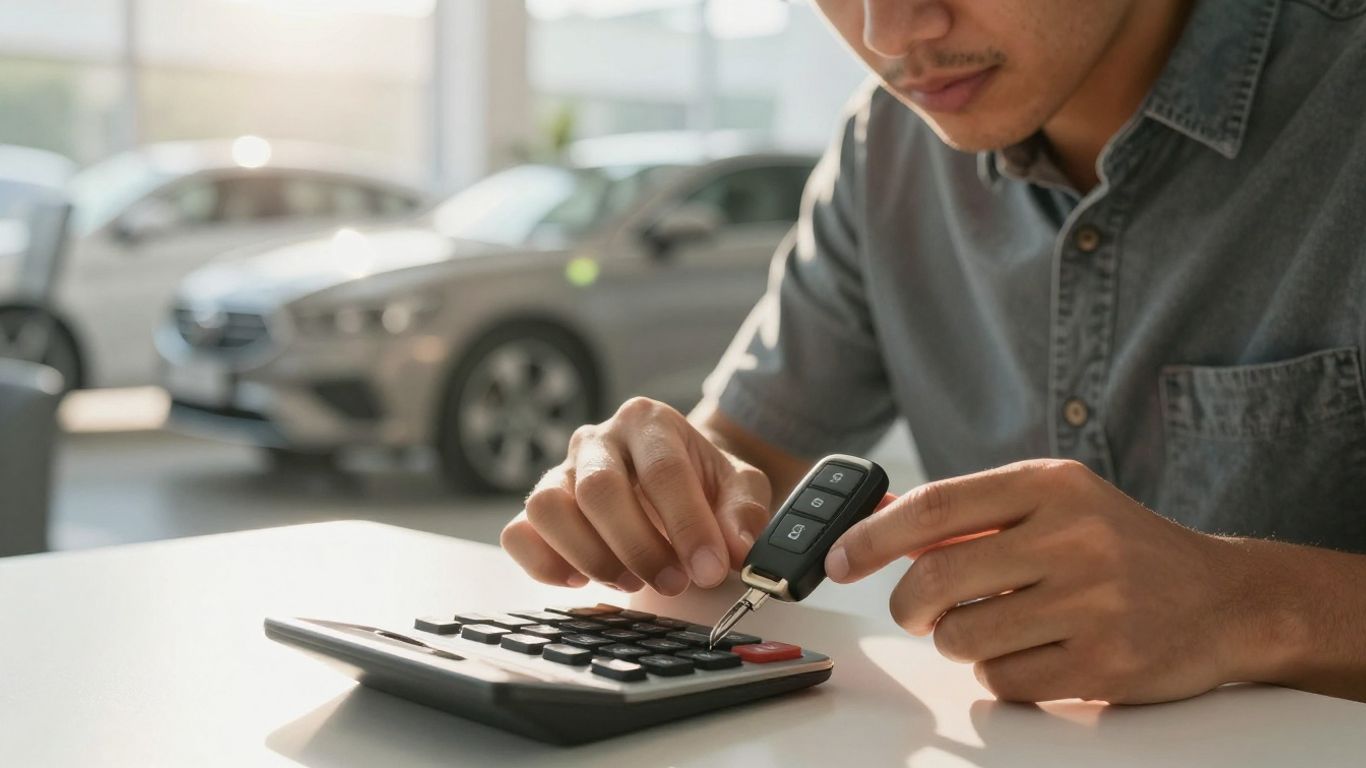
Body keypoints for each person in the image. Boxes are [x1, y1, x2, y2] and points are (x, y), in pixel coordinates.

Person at [501, 0, 1366, 704]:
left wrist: (1252, 604)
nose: (889, 33)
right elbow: (747, 462)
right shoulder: (891, 146)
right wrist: (662, 480)